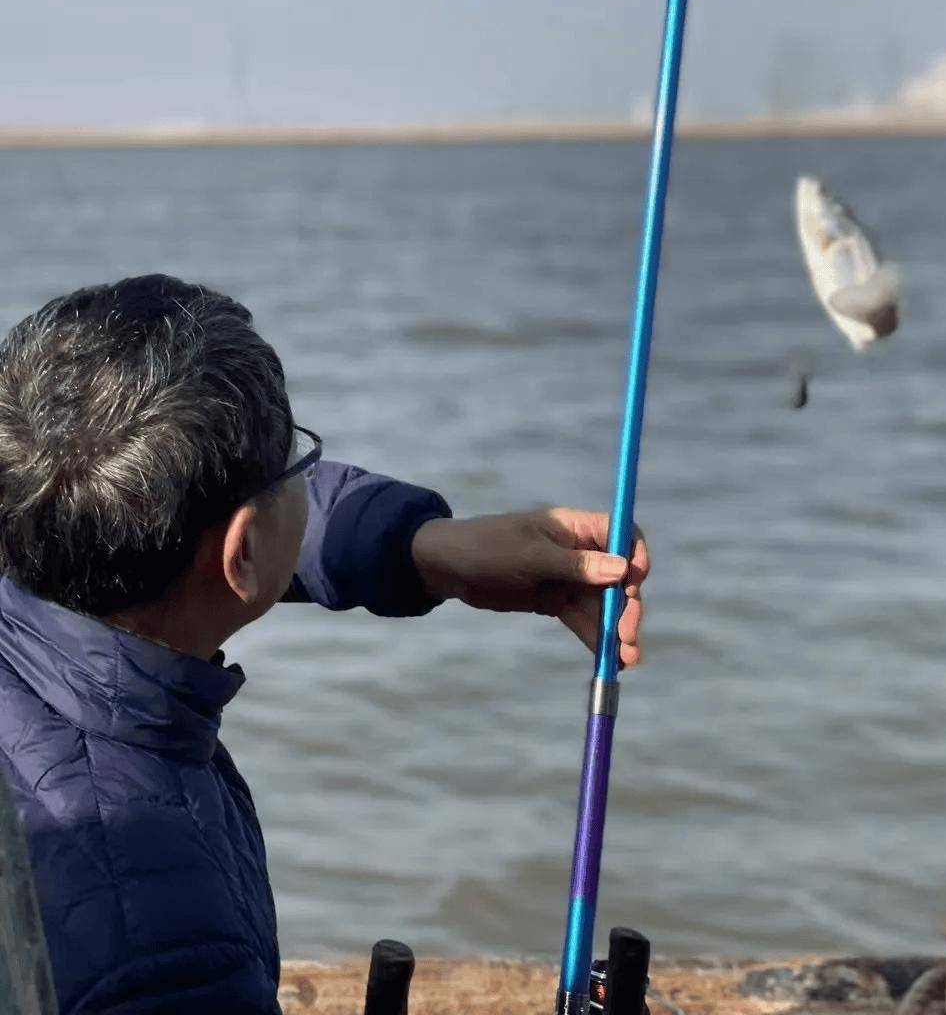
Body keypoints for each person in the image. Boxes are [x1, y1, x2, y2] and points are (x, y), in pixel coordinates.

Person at [0, 275, 648, 1014]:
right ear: (240, 553)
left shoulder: (34, 515)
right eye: (296, 466)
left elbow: (230, 521)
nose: (307, 483)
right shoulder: (170, 952)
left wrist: (423, 546)